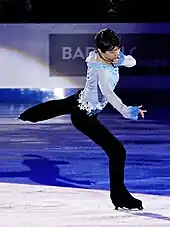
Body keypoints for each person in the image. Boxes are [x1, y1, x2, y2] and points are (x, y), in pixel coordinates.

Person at [19, 28, 147, 210]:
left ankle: (29, 115)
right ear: (100, 52)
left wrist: (121, 59)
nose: (116, 53)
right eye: (111, 51)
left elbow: (131, 61)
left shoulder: (112, 57)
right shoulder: (100, 71)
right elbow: (109, 94)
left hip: (81, 99)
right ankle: (120, 197)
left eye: (118, 48)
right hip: (84, 115)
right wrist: (126, 111)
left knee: (59, 105)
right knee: (118, 152)